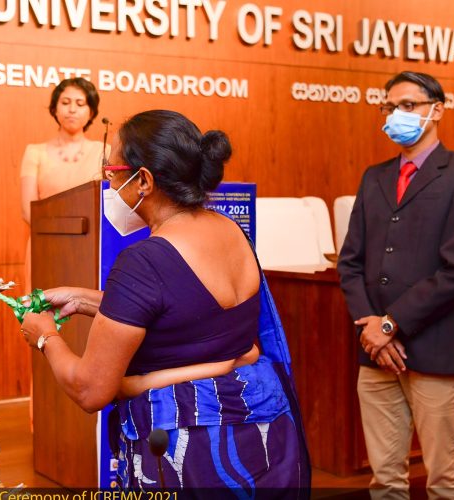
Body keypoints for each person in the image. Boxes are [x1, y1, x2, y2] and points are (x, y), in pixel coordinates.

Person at [19, 110, 310, 493]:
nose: (109, 184)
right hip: (257, 444)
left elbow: (90, 389)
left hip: (186, 454)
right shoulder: (231, 230)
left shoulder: (145, 261)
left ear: (143, 180)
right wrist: (86, 299)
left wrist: (44, 336)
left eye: (112, 172)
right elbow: (190, 312)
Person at [337, 71, 454, 499]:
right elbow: (350, 263)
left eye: (407, 105)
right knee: (385, 481)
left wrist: (391, 324)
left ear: (437, 110)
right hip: (375, 353)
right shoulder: (375, 176)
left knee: (444, 481)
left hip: (434, 350)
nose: (395, 115)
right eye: (389, 107)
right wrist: (372, 328)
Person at [20, 77, 110, 287]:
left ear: (91, 112)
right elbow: (28, 212)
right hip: (46, 245)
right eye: (65, 102)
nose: (72, 110)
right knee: (44, 305)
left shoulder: (104, 151)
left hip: (90, 249)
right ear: (54, 108)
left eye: (80, 103)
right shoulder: (35, 152)